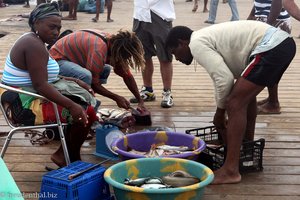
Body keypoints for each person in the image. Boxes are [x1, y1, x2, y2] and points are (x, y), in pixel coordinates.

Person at [165, 21, 296, 184]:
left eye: (174, 52)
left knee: (234, 103)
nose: (176, 58)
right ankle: (246, 149)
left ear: (182, 42)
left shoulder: (196, 43)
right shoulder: (206, 37)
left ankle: (231, 170)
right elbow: (223, 79)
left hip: (271, 46)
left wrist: (220, 113)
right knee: (244, 97)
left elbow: (224, 79)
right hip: (282, 43)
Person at [1, 2, 99, 167]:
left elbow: (43, 76)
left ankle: (65, 153)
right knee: (84, 111)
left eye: (59, 28)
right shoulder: (33, 45)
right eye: (52, 27)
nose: (56, 32)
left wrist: (74, 80)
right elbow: (40, 85)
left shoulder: (35, 40)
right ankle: (69, 156)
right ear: (36, 23)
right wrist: (72, 105)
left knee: (85, 108)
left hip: (24, 95)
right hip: (22, 106)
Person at [49, 29, 146, 111]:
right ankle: (86, 108)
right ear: (119, 52)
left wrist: (140, 101)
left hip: (71, 60)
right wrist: (116, 97)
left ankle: (89, 99)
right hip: (55, 63)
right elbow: (94, 84)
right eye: (125, 57)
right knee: (86, 76)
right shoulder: (99, 49)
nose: (125, 60)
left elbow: (127, 75)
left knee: (105, 69)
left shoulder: (113, 43)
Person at [247, 0, 291, 114]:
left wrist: (268, 26)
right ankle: (272, 99)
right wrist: (252, 14)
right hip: (267, 20)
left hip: (274, 22)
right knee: (269, 62)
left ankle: (273, 103)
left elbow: (277, 1)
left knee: (269, 63)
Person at [130, 0, 175, 108]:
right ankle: (147, 90)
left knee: (165, 56)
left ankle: (167, 92)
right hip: (140, 13)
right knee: (143, 55)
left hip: (160, 13)